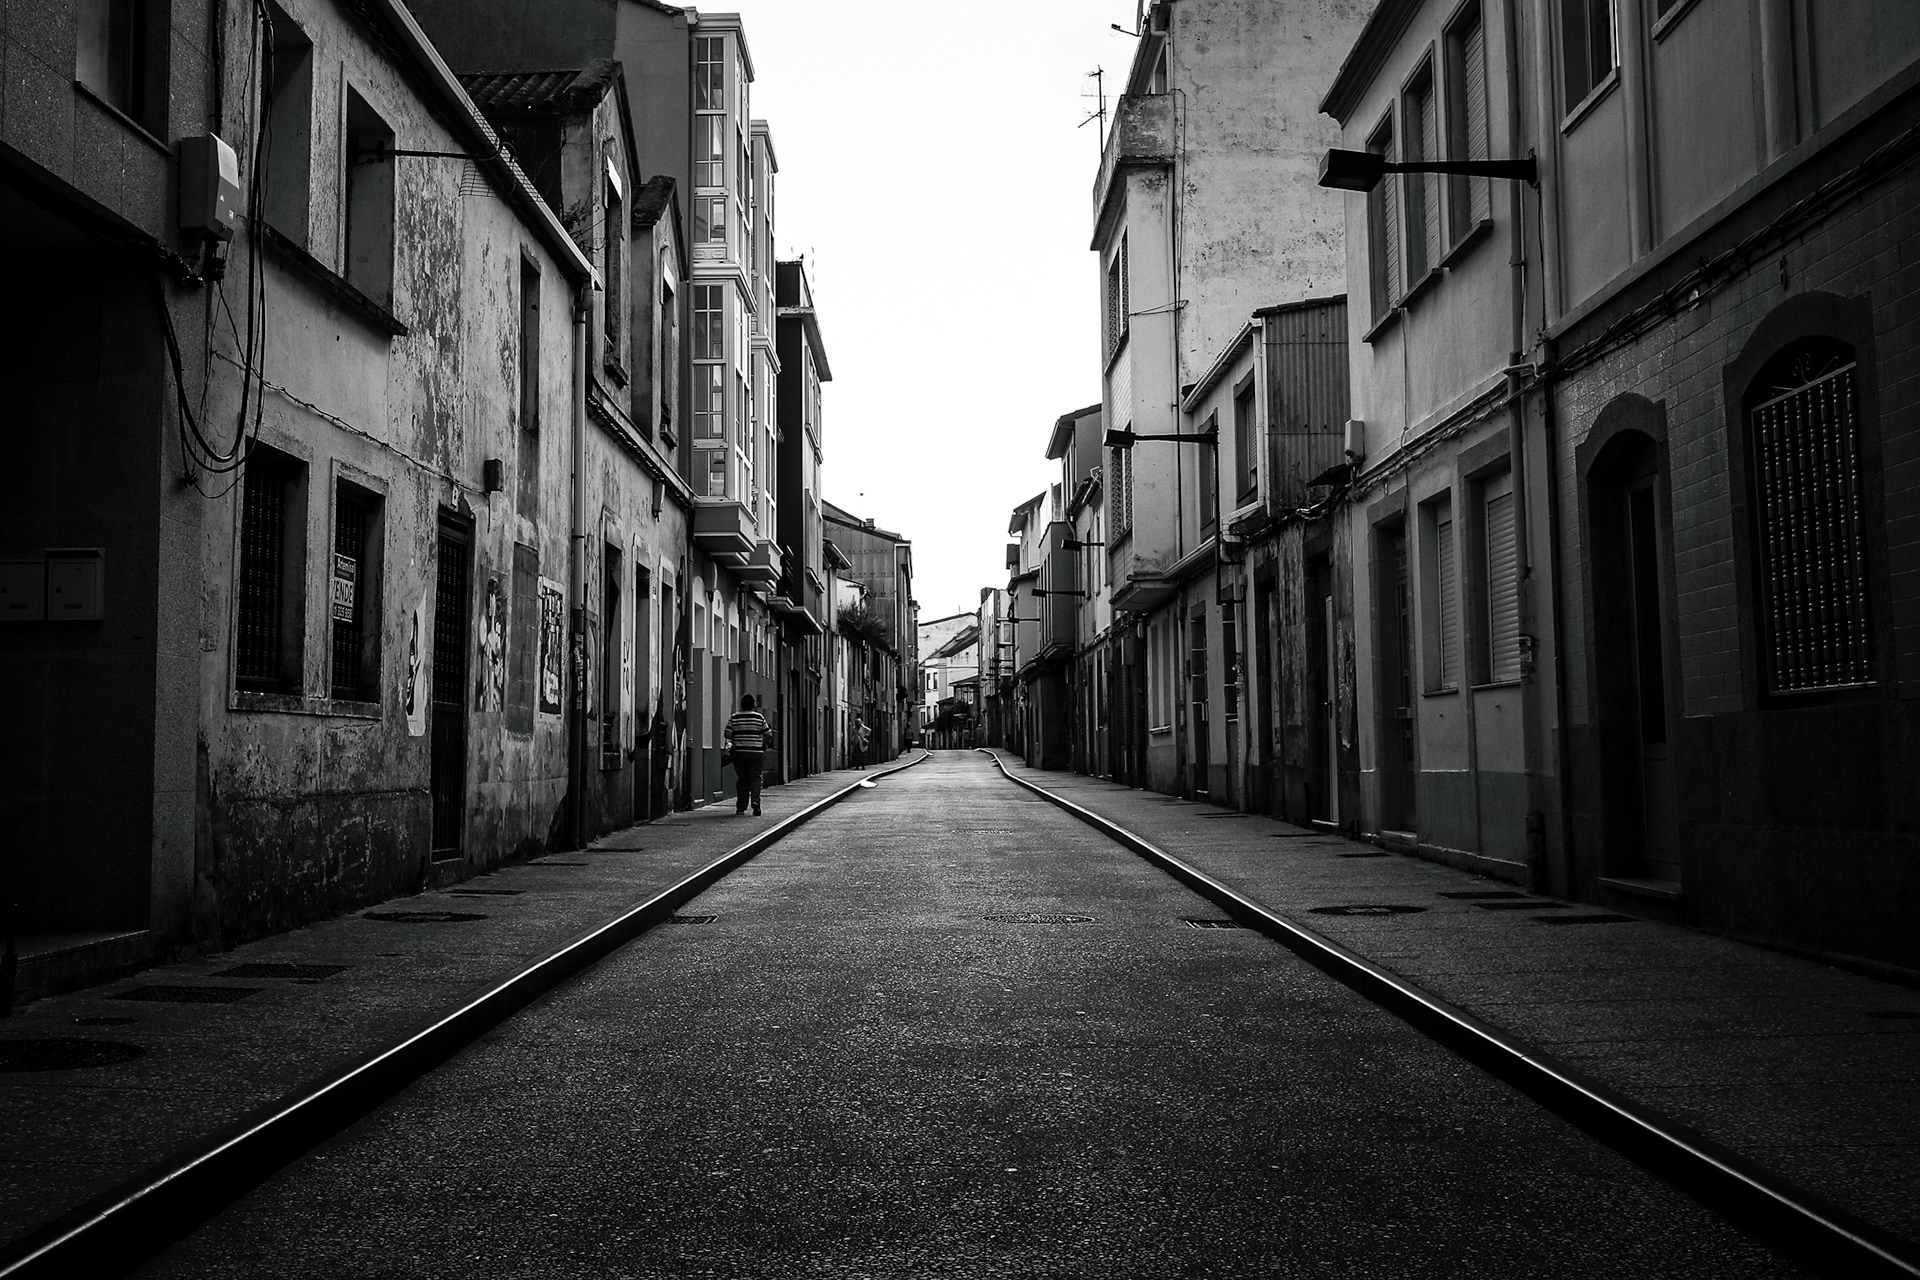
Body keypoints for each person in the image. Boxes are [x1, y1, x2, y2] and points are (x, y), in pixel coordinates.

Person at [725, 694, 769, 816]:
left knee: (742, 779)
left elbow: (727, 734)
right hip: (756, 753)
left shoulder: (734, 717)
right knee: (755, 778)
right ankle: (755, 801)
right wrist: (763, 745)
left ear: (742, 705)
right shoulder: (759, 717)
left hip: (740, 753)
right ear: (753, 705)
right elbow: (768, 734)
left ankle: (741, 807)